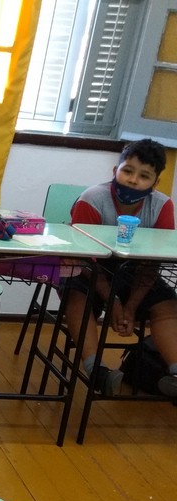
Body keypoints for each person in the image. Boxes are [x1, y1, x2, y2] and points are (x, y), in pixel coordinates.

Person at [64, 138, 177, 397]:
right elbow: (84, 256)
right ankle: (97, 372)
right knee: (77, 296)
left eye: (144, 176)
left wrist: (131, 307)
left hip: (136, 273)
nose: (133, 180)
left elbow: (152, 263)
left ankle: (175, 374)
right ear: (115, 170)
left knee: (168, 304)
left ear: (156, 182)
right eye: (128, 171)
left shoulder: (162, 206)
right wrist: (113, 302)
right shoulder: (92, 199)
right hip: (90, 270)